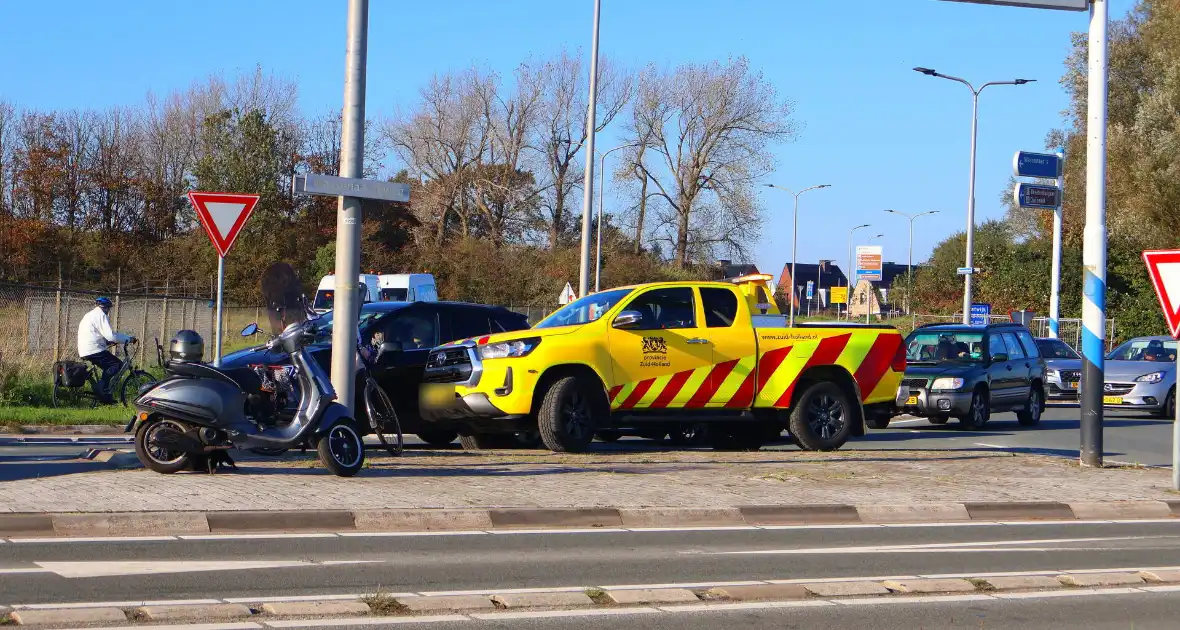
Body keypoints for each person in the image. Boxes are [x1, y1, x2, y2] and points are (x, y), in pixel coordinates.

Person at [77, 297, 135, 403]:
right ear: (106, 308)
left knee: (108, 368)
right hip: (93, 349)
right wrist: (129, 339)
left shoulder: (89, 315)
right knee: (116, 365)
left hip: (85, 349)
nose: (108, 311)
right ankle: (101, 388)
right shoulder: (101, 315)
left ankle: (106, 397)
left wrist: (107, 342)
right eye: (108, 309)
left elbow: (96, 333)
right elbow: (111, 336)